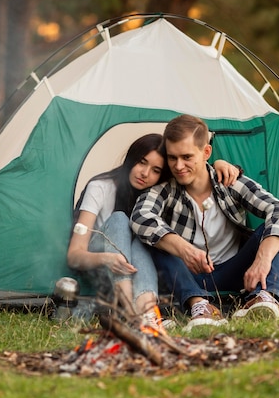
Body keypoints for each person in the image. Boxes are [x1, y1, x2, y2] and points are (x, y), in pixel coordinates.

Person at [129, 115, 279, 330]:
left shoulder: (229, 181)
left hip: (235, 272)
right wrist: (184, 249)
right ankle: (200, 306)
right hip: (188, 277)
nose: (178, 166)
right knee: (154, 240)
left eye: (187, 157)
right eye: (172, 158)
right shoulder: (165, 190)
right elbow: (140, 217)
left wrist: (262, 259)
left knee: (271, 232)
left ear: (206, 152)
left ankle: (263, 298)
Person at [67, 132, 240, 329]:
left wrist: (219, 164)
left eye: (156, 170)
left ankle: (149, 316)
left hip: (137, 269)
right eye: (142, 162)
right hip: (99, 266)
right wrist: (107, 258)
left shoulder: (158, 198)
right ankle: (131, 313)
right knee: (120, 219)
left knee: (145, 237)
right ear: (131, 158)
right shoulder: (100, 187)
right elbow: (74, 255)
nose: (145, 173)